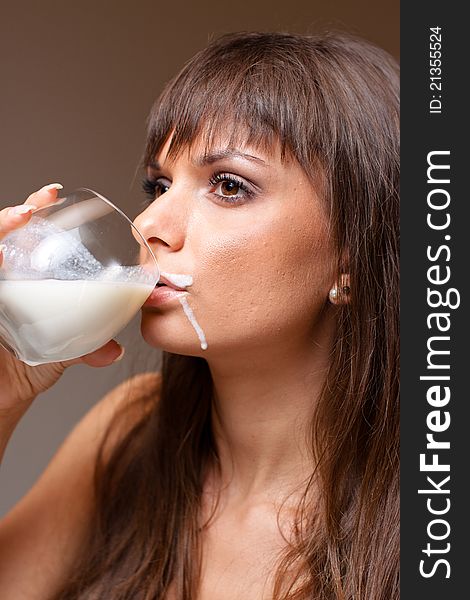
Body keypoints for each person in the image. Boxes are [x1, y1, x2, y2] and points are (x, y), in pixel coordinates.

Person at [0, 31, 399, 599]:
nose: (152, 223)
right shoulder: (129, 433)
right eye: (158, 184)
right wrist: (6, 393)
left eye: (229, 185)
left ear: (353, 257)